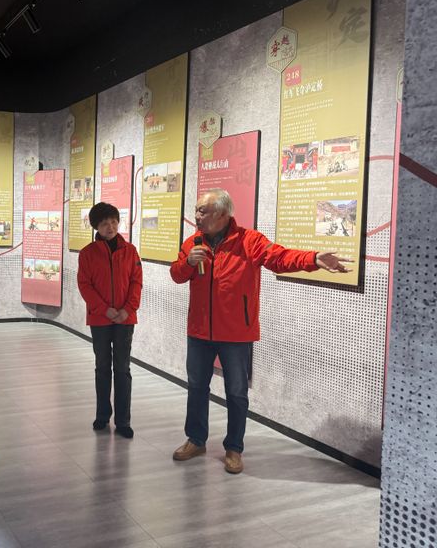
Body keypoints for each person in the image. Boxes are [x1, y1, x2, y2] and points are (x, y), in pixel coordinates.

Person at [170, 189, 351, 474]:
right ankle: (196, 439)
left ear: (223, 214)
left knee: (237, 392)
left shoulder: (249, 241)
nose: (197, 216)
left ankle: (234, 448)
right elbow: (177, 275)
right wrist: (187, 262)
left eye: (203, 211)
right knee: (196, 387)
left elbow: (280, 257)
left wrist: (314, 259)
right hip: (200, 331)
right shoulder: (192, 243)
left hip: (236, 334)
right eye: (196, 210)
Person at [77, 202, 143, 438]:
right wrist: (104, 310)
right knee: (103, 367)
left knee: (122, 369)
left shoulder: (130, 251)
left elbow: (136, 282)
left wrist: (127, 309)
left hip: (125, 319)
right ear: (96, 226)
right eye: (105, 223)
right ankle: (102, 415)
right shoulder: (87, 253)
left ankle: (123, 421)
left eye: (114, 222)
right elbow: (85, 285)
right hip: (100, 319)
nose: (110, 227)